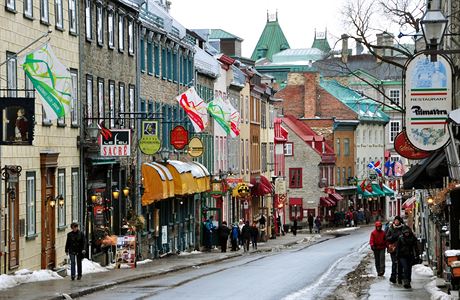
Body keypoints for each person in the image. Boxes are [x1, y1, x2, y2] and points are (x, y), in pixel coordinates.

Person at [385, 216, 406, 284]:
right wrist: (393, 237)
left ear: (400, 221)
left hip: (401, 248)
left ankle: (401, 276)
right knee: (394, 263)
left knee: (401, 263)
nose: (396, 222)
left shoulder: (403, 228)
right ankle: (393, 277)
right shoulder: (391, 228)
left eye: (397, 221)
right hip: (393, 248)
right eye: (395, 220)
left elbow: (406, 236)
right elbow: (387, 238)